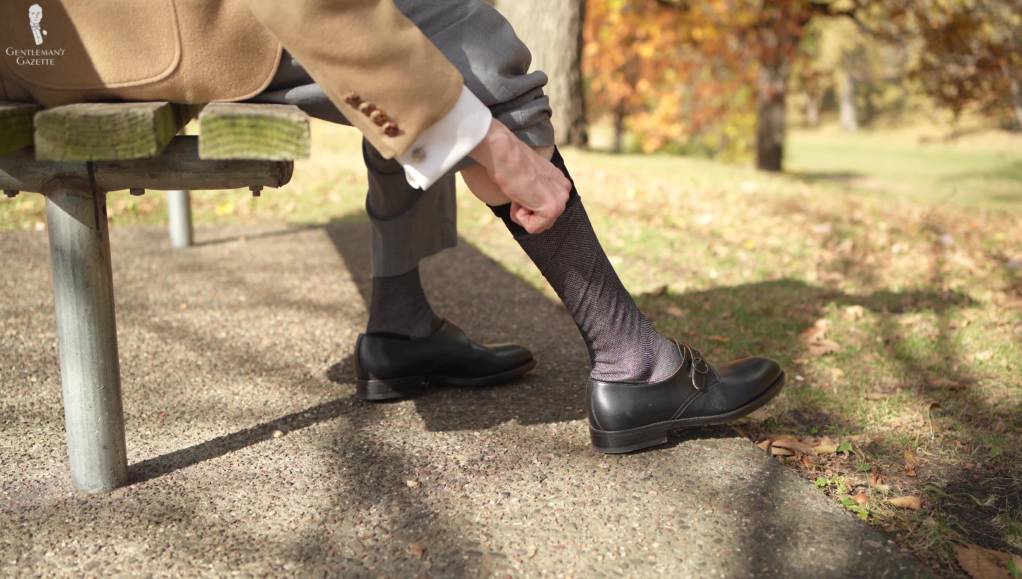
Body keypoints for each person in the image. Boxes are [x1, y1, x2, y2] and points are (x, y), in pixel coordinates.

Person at [0, 0, 783, 454]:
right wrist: (494, 143)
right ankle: (635, 365)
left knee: (411, 23)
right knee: (473, 47)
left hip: (35, 41)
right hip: (150, 33)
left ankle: (401, 331)